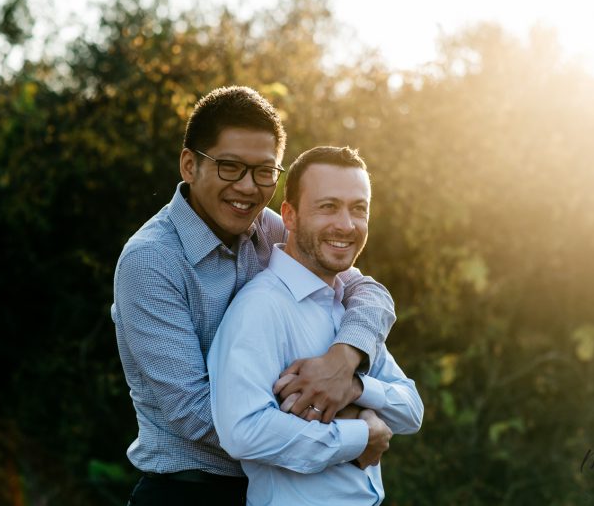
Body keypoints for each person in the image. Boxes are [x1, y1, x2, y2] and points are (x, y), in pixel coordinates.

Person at [111, 87, 396, 505]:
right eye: (230, 167)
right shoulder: (151, 262)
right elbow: (198, 413)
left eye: (264, 172)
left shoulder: (271, 229)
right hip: (190, 491)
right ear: (189, 165)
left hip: (278, 488)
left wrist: (345, 358)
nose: (247, 187)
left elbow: (368, 291)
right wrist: (342, 426)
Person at [208, 146, 424, 505]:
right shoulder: (260, 308)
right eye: (328, 207)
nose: (346, 224)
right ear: (289, 216)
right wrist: (359, 435)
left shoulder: (348, 309)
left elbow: (411, 410)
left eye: (359, 209)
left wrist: (353, 387)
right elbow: (242, 431)